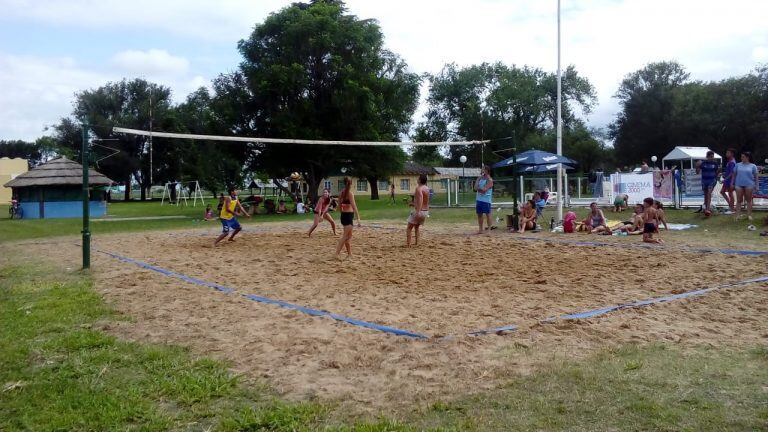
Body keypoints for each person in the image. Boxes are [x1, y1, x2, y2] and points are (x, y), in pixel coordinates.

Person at [335, 177, 361, 260]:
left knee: (349, 237)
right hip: (349, 216)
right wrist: (358, 219)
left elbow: (339, 207)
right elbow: (354, 206)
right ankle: (336, 254)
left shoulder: (341, 193)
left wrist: (342, 213)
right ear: (351, 184)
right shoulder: (350, 193)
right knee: (345, 237)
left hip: (344, 216)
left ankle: (349, 254)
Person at [733, 151, 759, 221]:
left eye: (743, 157)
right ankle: (737, 215)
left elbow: (756, 177)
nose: (741, 158)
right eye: (741, 157)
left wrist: (757, 186)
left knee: (748, 200)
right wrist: (732, 183)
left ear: (747, 158)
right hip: (738, 184)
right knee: (739, 200)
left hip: (749, 184)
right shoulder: (738, 165)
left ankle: (749, 215)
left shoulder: (753, 166)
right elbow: (734, 174)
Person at [406, 174, 430, 247]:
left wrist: (418, 211)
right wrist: (413, 204)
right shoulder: (427, 188)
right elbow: (425, 201)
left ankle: (409, 244)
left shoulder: (418, 188)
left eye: (418, 178)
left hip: (419, 211)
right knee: (416, 227)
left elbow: (421, 199)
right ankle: (417, 243)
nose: (417, 179)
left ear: (419, 180)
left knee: (409, 228)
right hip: (425, 211)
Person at [696, 150, 720, 215]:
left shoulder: (715, 164)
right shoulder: (703, 163)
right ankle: (706, 208)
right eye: (711, 157)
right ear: (707, 157)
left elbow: (717, 172)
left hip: (712, 180)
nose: (712, 158)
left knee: (709, 193)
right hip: (704, 181)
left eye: (713, 157)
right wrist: (697, 166)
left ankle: (707, 209)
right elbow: (697, 172)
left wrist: (717, 176)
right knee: (706, 194)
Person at [474, 165, 495, 233]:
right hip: (479, 199)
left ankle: (489, 229)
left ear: (487, 171)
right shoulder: (480, 178)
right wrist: (477, 181)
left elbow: (484, 190)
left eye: (483, 169)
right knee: (479, 214)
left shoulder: (489, 179)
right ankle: (480, 229)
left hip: (486, 200)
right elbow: (475, 188)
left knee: (488, 214)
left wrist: (478, 189)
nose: (482, 170)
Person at [719, 148, 737, 214]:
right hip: (727, 180)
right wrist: (723, 174)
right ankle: (731, 206)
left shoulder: (732, 162)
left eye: (728, 153)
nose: (726, 154)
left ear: (732, 154)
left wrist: (726, 179)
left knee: (730, 193)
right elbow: (728, 171)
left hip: (730, 181)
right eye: (726, 153)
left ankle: (732, 208)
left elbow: (732, 173)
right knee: (722, 192)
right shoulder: (729, 161)